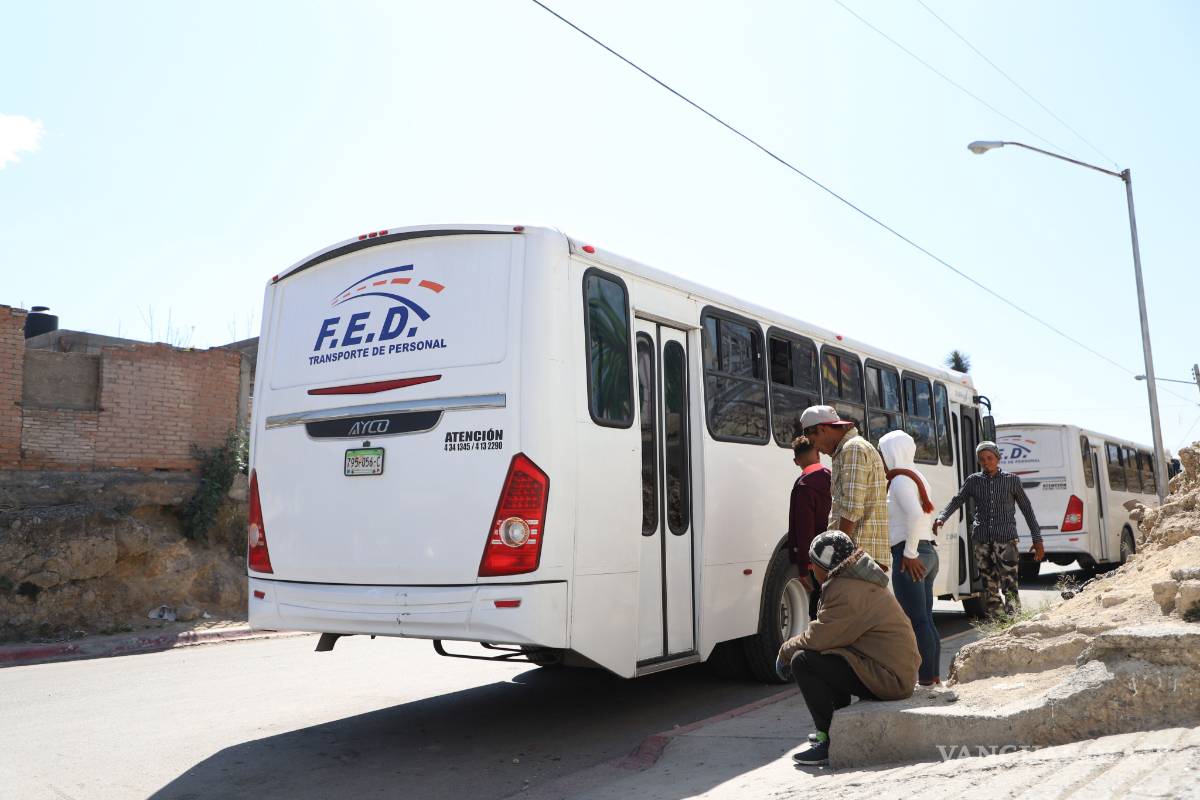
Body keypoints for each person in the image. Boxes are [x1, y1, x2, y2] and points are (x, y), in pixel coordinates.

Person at [775, 530, 920, 766]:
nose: (811, 569)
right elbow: (831, 638)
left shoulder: (847, 590)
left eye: (813, 563)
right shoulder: (856, 580)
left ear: (826, 566)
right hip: (892, 671)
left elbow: (819, 637)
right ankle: (837, 727)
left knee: (803, 660)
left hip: (891, 680)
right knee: (828, 655)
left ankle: (829, 740)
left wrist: (784, 652)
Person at [933, 441, 1046, 619]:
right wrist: (942, 517)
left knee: (1010, 584)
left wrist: (1037, 539)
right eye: (982, 459)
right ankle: (1000, 622)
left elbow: (1027, 509)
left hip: (1006, 540)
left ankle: (1015, 621)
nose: (986, 462)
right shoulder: (973, 481)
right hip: (981, 540)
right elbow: (957, 500)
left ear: (997, 458)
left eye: (990, 458)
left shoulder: (1011, 480)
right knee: (988, 585)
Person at [878, 430, 940, 686]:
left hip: (911, 555)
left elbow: (915, 515)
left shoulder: (901, 481)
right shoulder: (916, 475)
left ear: (891, 452)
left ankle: (926, 679)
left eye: (882, 452)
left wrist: (909, 553)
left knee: (917, 621)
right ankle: (932, 676)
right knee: (925, 619)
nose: (881, 458)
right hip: (927, 552)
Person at [799, 405, 891, 570]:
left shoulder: (852, 449)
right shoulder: (849, 448)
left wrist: (836, 558)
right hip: (859, 556)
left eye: (813, 442)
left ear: (822, 428)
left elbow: (851, 509)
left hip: (856, 558)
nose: (816, 449)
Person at [788, 435, 832, 619]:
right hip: (836, 552)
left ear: (796, 461)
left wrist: (804, 568)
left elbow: (804, 529)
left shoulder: (804, 485)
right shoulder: (832, 476)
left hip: (818, 558)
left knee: (818, 609)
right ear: (818, 454)